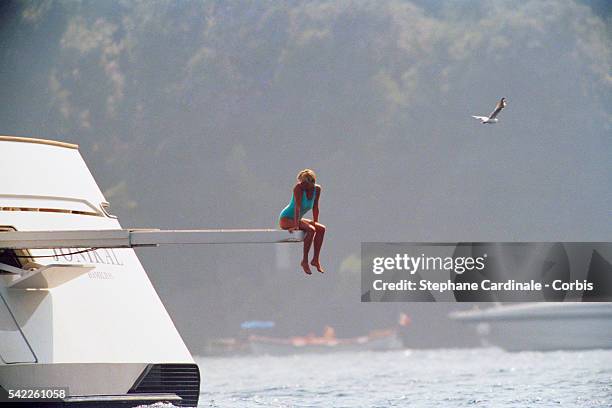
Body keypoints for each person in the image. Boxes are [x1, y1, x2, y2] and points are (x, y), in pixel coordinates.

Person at [279, 169, 326, 275]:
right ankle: (304, 261)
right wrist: (296, 226)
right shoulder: (298, 188)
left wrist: (315, 222)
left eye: (303, 182)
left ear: (310, 182)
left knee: (321, 228)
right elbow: (297, 208)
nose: (301, 184)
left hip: (297, 219)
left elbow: (315, 207)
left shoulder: (316, 189)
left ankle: (315, 260)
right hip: (286, 218)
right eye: (300, 182)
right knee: (311, 230)